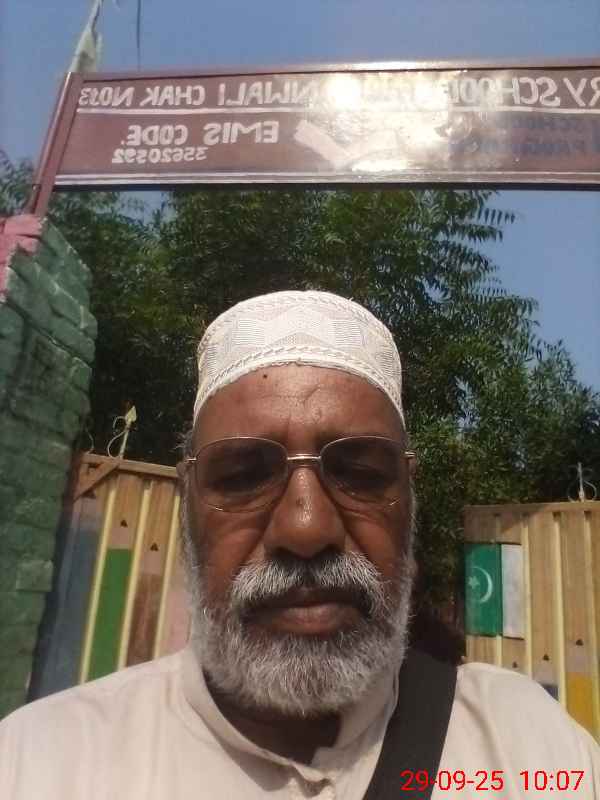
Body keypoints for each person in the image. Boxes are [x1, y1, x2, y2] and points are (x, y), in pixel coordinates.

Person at [1, 290, 598, 798]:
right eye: (242, 476)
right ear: (188, 508)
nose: (307, 529)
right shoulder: (43, 765)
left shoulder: (529, 752)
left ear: (409, 506)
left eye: (360, 472)